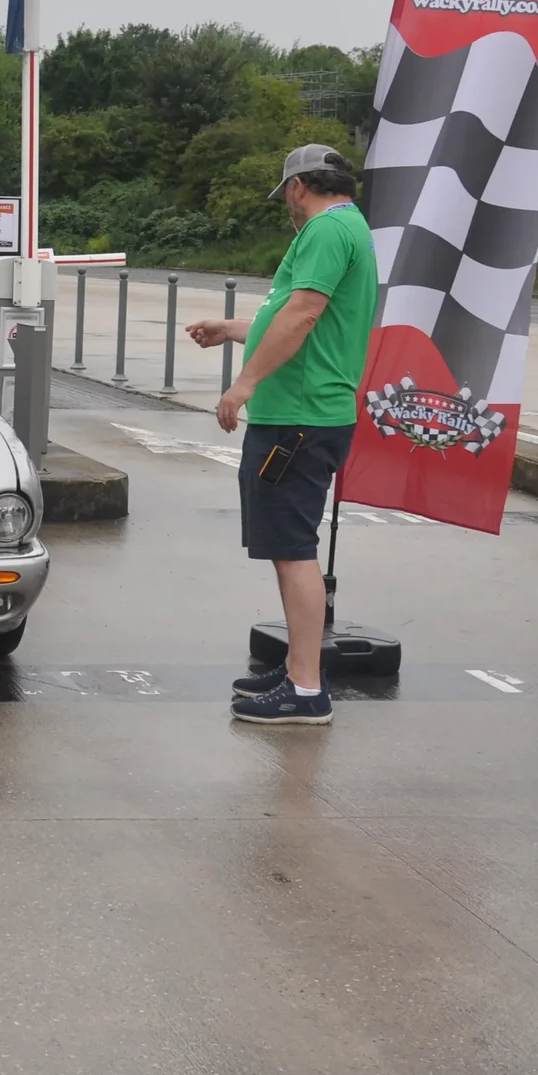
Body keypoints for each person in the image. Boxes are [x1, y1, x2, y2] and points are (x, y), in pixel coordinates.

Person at [186, 143, 376, 725]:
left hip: (298, 416)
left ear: (298, 187)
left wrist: (242, 384)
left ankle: (305, 687)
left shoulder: (322, 232)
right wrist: (233, 328)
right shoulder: (351, 229)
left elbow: (301, 316)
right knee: (288, 549)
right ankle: (300, 663)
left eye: (286, 197)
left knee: (294, 553)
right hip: (309, 412)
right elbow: (287, 318)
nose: (287, 208)